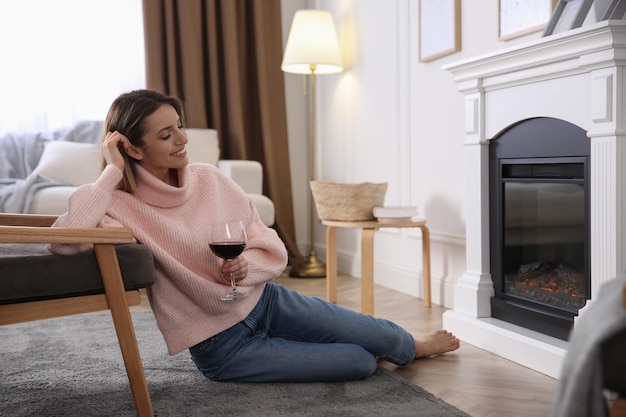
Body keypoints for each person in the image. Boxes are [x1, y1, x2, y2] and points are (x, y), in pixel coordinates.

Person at [49, 89, 460, 383]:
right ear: (132, 150)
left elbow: (271, 246)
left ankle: (411, 345)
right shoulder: (117, 207)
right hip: (222, 348)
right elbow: (64, 241)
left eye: (179, 126)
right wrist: (110, 173)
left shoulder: (210, 179)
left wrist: (247, 268)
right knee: (359, 363)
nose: (183, 139)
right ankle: (334, 350)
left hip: (266, 302)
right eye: (166, 135)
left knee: (384, 337)